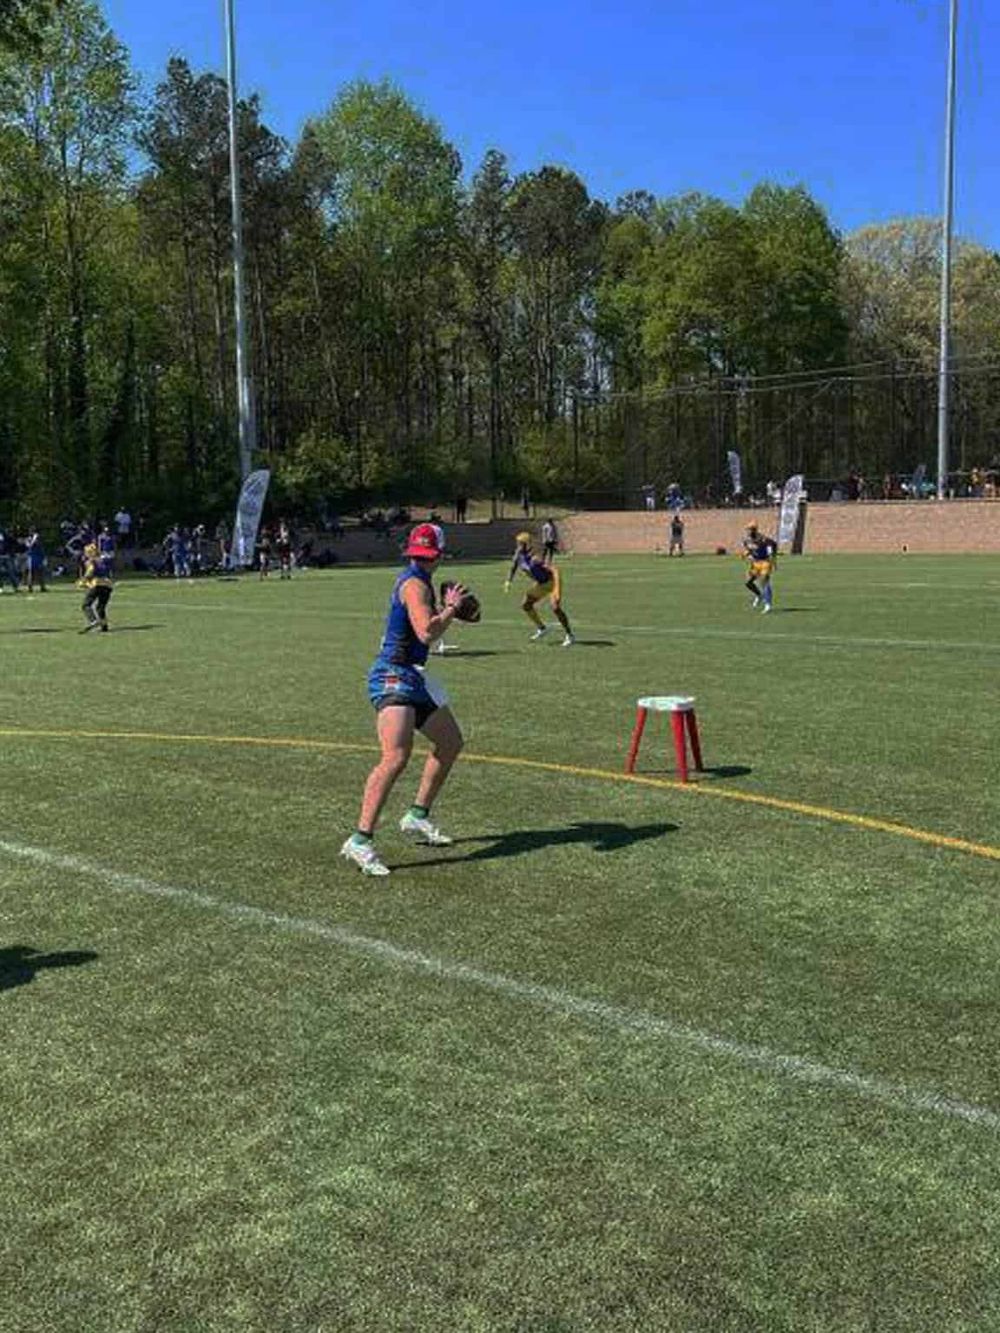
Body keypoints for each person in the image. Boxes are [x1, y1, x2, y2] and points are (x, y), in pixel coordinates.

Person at [341, 523, 468, 877]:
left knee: (450, 741)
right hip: (392, 674)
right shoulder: (414, 585)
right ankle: (360, 840)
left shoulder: (418, 580)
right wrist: (452, 609)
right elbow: (427, 631)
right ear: (438, 555)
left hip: (412, 675)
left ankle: (417, 815)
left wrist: (445, 611)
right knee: (395, 756)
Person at [504, 531, 575, 646]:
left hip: (551, 582)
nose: (518, 546)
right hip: (541, 584)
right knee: (526, 605)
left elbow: (554, 570)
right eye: (518, 543)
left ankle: (569, 635)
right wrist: (508, 581)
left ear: (527, 544)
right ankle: (542, 628)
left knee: (555, 608)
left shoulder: (534, 558)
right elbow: (513, 566)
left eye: (521, 544)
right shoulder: (519, 555)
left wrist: (556, 589)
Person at [78, 540, 113, 632]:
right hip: (108, 585)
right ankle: (104, 627)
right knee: (100, 607)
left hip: (97, 584)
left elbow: (91, 571)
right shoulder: (103, 560)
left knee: (86, 605)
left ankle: (93, 621)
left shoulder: (91, 561)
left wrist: (84, 580)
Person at [742, 523, 778, 613]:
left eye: (750, 529)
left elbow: (773, 545)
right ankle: (759, 595)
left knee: (764, 581)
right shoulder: (746, 540)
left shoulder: (763, 539)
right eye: (748, 529)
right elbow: (749, 549)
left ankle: (768, 604)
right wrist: (747, 554)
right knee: (748, 582)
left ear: (755, 530)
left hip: (765, 562)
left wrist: (773, 560)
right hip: (755, 563)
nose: (748, 531)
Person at [24, 528, 47, 592]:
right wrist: (33, 540)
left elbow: (41, 548)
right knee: (31, 572)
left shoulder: (38, 539)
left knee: (40, 572)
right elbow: (29, 546)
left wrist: (44, 557)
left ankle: (42, 587)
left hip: (39, 557)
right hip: (32, 557)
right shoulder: (28, 539)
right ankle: (30, 587)